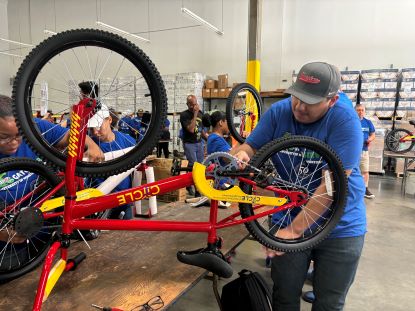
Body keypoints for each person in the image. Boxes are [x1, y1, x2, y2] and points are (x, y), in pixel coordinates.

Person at [232, 62, 366, 311]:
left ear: (332, 100)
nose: (300, 107)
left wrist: (293, 231)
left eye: (310, 102)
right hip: (288, 217)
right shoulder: (279, 112)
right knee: (283, 297)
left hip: (341, 227)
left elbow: (331, 185)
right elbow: (250, 146)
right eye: (297, 97)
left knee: (329, 303)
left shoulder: (345, 121)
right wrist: (241, 156)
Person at [0, 94, 103, 243]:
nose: (15, 142)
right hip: (9, 249)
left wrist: (91, 145)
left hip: (50, 233)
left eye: (19, 134)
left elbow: (69, 136)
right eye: (4, 137)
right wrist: (2, 234)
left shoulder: (33, 127)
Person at [88, 106, 136, 219]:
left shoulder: (128, 141)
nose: (95, 131)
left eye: (98, 125)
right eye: (91, 128)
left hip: (124, 201)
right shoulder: (88, 145)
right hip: (100, 204)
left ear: (109, 119)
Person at [180, 95, 207, 196]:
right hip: (189, 144)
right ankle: (197, 191)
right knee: (194, 167)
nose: (194, 106)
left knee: (200, 167)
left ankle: (194, 186)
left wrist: (209, 140)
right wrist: (195, 114)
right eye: (191, 105)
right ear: (187, 104)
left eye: (195, 104)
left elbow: (201, 130)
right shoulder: (184, 115)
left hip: (199, 143)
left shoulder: (201, 114)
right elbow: (191, 130)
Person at [355, 104, 376, 199]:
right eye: (358, 110)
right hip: (353, 151)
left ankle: (365, 189)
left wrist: (370, 139)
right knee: (350, 170)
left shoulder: (368, 122)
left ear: (364, 111)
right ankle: (350, 189)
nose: (360, 112)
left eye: (362, 110)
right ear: (355, 111)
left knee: (365, 171)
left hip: (364, 151)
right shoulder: (351, 122)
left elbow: (373, 134)